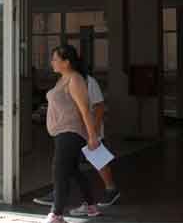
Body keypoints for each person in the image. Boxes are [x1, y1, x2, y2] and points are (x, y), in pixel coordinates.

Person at [34, 74, 121, 208]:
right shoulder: (63, 80)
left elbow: (99, 106)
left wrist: (94, 131)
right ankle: (59, 193)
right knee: (68, 163)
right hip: (74, 128)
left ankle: (111, 189)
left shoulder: (88, 81)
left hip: (89, 127)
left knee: (98, 159)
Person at [42, 45, 101, 223]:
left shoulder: (75, 79)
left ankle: (57, 214)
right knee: (73, 170)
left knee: (59, 171)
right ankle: (91, 206)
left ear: (66, 62)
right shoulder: (62, 79)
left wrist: (92, 136)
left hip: (71, 132)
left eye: (55, 59)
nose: (52, 62)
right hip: (62, 132)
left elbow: (85, 110)